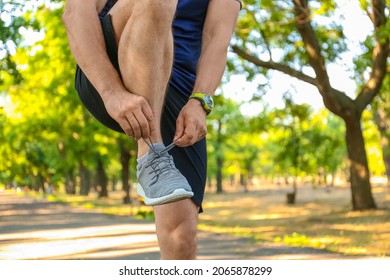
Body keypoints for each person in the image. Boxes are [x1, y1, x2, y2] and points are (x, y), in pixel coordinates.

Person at [62, 0, 241, 260]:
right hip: (108, 69)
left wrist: (200, 102)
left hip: (179, 93)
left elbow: (216, 39)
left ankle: (156, 160)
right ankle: (151, 151)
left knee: (181, 237)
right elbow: (75, 13)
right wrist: (111, 92)